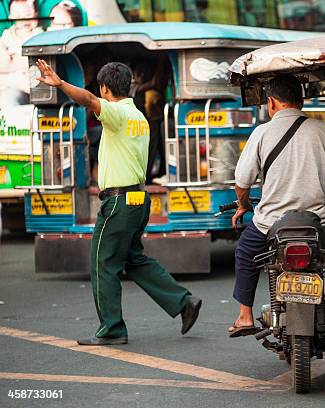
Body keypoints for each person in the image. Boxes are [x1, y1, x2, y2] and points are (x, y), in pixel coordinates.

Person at [35, 59, 202, 345]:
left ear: (104, 88)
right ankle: (183, 302)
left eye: (100, 91)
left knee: (103, 263)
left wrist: (60, 83)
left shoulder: (116, 114)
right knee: (133, 259)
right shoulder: (138, 115)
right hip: (138, 198)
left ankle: (112, 328)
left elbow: (88, 100)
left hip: (119, 203)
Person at [228, 74, 325, 337]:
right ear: (301, 100)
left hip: (271, 224)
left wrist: (243, 206)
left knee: (245, 253)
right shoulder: (321, 130)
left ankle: (244, 315)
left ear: (272, 102)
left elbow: (242, 181)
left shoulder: (261, 133)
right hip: (319, 220)